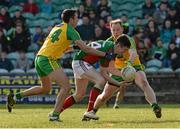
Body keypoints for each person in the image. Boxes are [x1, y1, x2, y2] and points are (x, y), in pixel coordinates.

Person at [6, 9, 113, 121]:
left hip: (39, 58)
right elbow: (86, 49)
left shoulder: (57, 27)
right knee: (66, 86)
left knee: (45, 89)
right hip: (48, 59)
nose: (78, 20)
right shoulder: (71, 30)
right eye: (76, 18)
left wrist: (75, 47)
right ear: (71, 19)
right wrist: (104, 54)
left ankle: (15, 97)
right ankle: (54, 115)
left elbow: (63, 47)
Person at [84, 19, 162, 120]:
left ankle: (155, 106)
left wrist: (129, 64)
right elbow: (107, 64)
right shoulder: (108, 43)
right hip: (118, 71)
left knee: (144, 82)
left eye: (118, 29)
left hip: (134, 67)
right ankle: (91, 112)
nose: (116, 32)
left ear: (122, 29)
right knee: (104, 96)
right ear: (111, 30)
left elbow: (133, 54)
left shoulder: (128, 39)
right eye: (114, 30)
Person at [60, 35, 131, 121]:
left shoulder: (109, 47)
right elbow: (104, 74)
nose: (124, 52)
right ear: (119, 46)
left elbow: (105, 72)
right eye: (124, 50)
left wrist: (118, 83)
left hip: (81, 63)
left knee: (79, 95)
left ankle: (56, 113)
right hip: (81, 62)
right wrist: (124, 76)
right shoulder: (110, 51)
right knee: (100, 81)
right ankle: (90, 112)